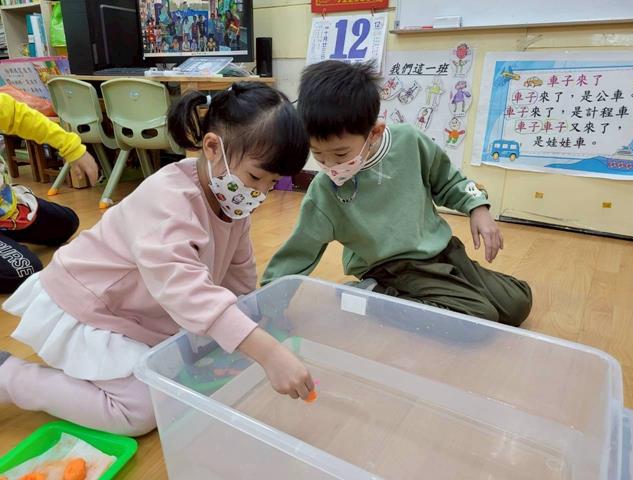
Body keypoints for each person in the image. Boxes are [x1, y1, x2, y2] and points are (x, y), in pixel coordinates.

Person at [0, 83, 313, 436]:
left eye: (271, 183)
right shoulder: (168, 198)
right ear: (212, 147)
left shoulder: (233, 201)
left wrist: (256, 320)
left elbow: (238, 274)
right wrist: (268, 352)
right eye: (256, 177)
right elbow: (184, 289)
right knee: (139, 411)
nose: (260, 193)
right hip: (90, 307)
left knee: (187, 366)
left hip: (139, 312)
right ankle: (11, 377)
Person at [262, 61, 532, 328]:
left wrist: (477, 207)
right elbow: (299, 251)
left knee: (518, 302)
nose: (330, 165)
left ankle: (416, 293)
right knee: (480, 316)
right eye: (318, 154)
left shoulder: (409, 141)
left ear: (374, 132)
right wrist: (269, 303)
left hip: (443, 250)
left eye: (340, 154)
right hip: (391, 268)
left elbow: (449, 181)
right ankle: (369, 296)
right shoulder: (324, 191)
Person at [0, 93, 98, 294]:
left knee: (66, 222)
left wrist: (72, 148)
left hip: (6, 207)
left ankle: (7, 234)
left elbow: (21, 116)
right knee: (23, 269)